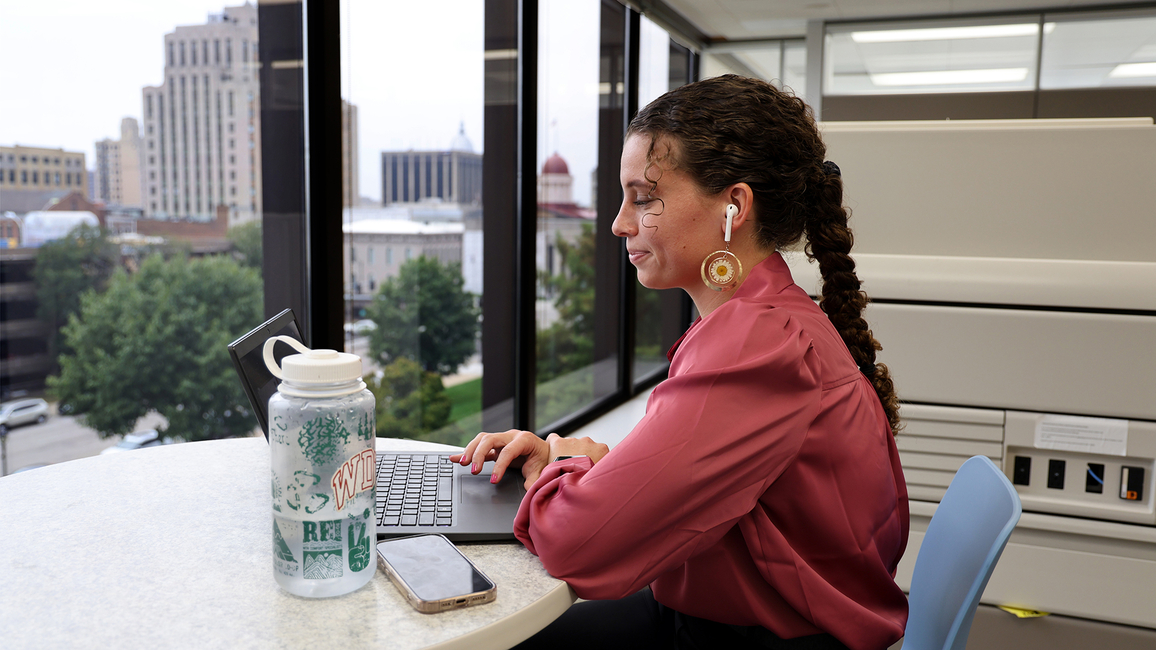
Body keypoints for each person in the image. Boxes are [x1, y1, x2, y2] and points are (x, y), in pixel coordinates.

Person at [451, 74, 908, 650]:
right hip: (739, 615)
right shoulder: (763, 318)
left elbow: (578, 544)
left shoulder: (758, 344)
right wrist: (569, 464)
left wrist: (557, 471)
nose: (620, 223)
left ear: (733, 207)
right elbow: (674, 483)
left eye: (644, 198)